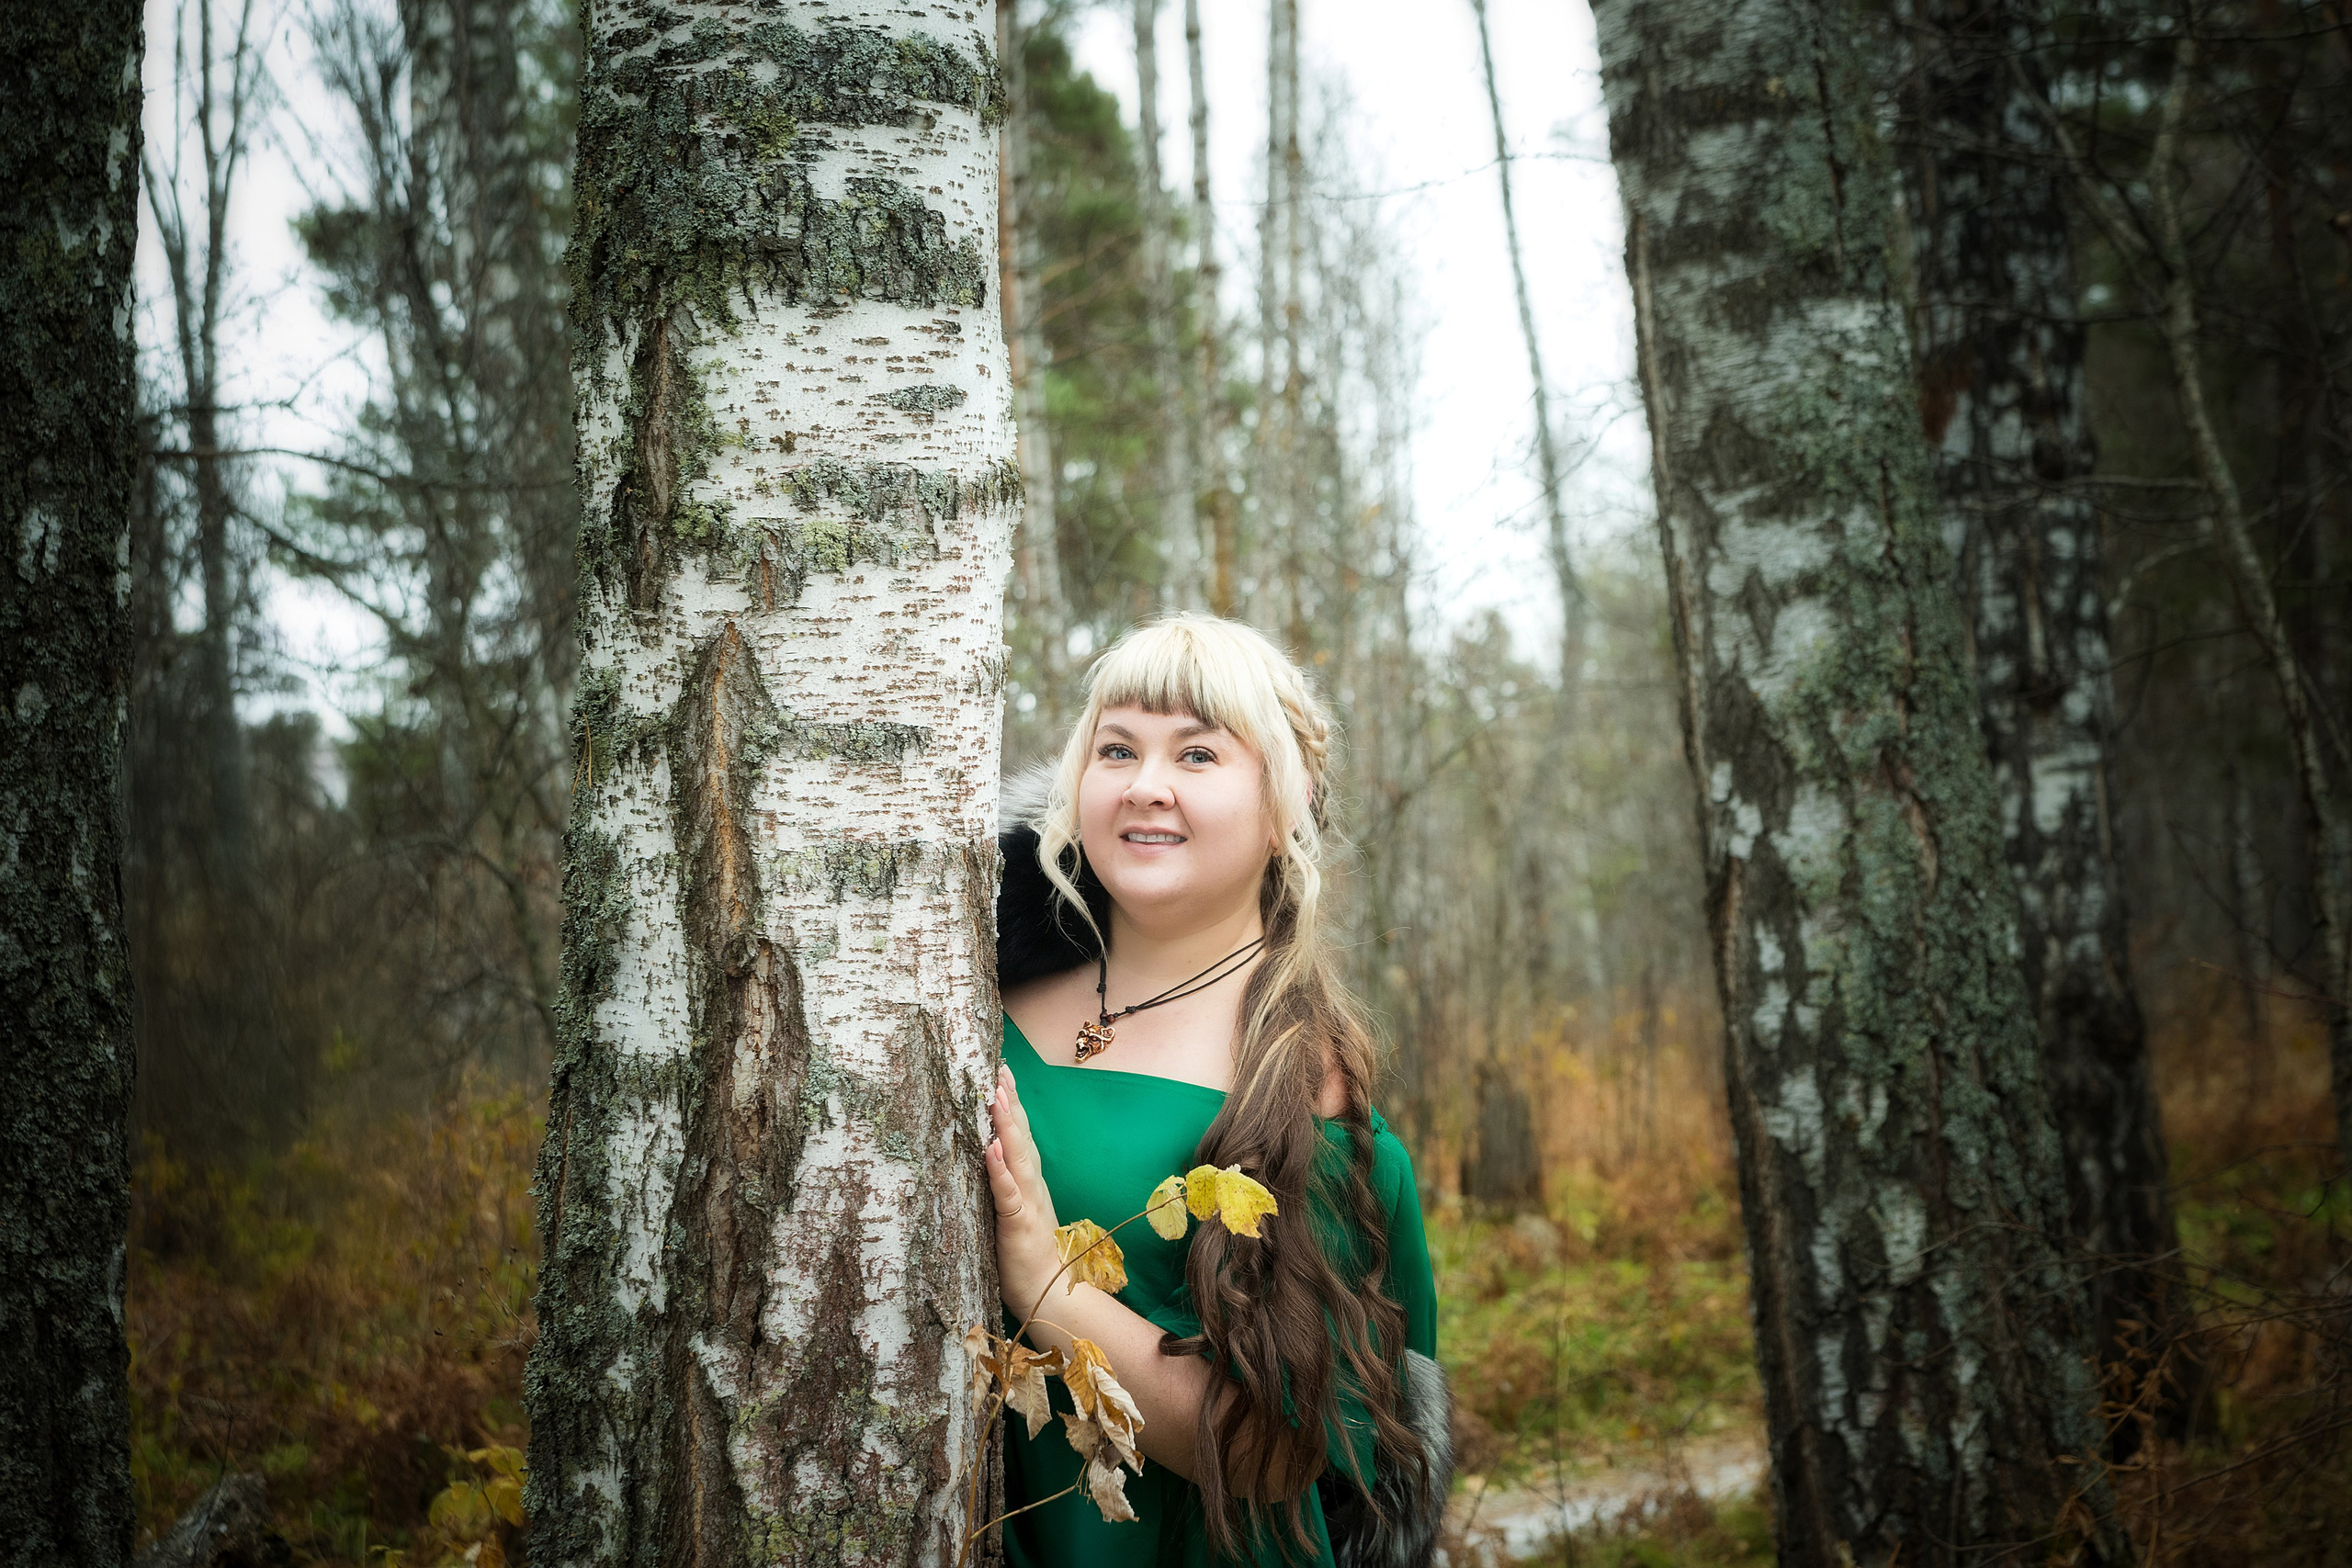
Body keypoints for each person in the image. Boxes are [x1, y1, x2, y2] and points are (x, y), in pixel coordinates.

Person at [983, 615, 1451, 1568]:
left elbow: (1272, 1452)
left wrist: (1046, 1286)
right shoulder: (966, 975)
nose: (1144, 784)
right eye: (1117, 748)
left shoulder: (1300, 1094)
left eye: (1197, 754)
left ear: (1285, 804)